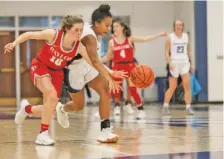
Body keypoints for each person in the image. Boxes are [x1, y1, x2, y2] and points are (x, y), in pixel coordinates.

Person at [4, 15, 84, 145]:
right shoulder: (53, 35)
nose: (79, 33)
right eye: (76, 30)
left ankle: (27, 109)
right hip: (41, 66)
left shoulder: (79, 46)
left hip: (57, 73)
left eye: (81, 30)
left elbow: (95, 62)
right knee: (52, 96)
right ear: (67, 28)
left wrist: (110, 74)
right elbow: (28, 34)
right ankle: (43, 134)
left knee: (49, 108)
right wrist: (14, 43)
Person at [56, 4, 127, 143]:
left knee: (105, 89)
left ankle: (105, 131)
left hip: (87, 65)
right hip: (73, 70)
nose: (109, 29)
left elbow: (95, 61)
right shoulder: (89, 37)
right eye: (106, 25)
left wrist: (111, 73)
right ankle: (62, 108)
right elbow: (95, 61)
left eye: (110, 25)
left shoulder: (95, 33)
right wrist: (110, 76)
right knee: (78, 106)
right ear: (96, 23)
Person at [102, 18, 167, 119]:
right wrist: (95, 61)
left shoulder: (130, 39)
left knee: (133, 90)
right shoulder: (111, 42)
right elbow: (108, 57)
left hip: (130, 66)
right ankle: (117, 106)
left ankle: (140, 110)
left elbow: (145, 39)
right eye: (113, 27)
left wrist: (158, 35)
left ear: (122, 27)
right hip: (117, 66)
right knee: (116, 89)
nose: (114, 28)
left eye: (116, 26)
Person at [162, 20, 194, 115]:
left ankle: (188, 107)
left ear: (182, 26)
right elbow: (166, 52)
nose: (178, 26)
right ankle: (165, 106)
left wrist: (190, 63)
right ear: (174, 26)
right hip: (174, 63)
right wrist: (169, 62)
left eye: (180, 25)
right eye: (177, 25)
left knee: (187, 85)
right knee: (172, 87)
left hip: (184, 63)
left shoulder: (186, 36)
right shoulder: (170, 37)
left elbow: (188, 51)